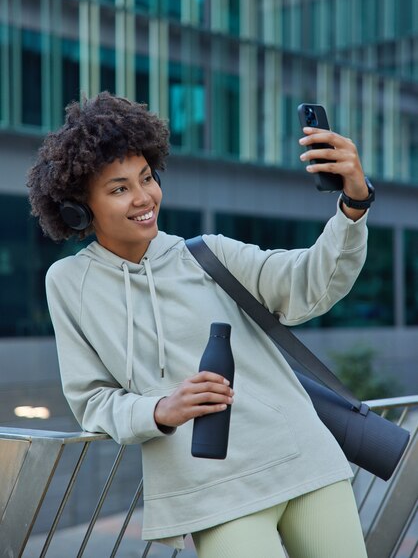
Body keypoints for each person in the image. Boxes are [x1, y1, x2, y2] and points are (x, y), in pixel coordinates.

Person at [27, 92, 372, 558]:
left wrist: (353, 203)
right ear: (78, 209)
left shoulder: (207, 253)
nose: (143, 197)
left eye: (147, 178)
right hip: (210, 490)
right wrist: (159, 410)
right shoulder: (69, 283)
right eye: (119, 188)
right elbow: (92, 400)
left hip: (303, 459)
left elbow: (310, 283)